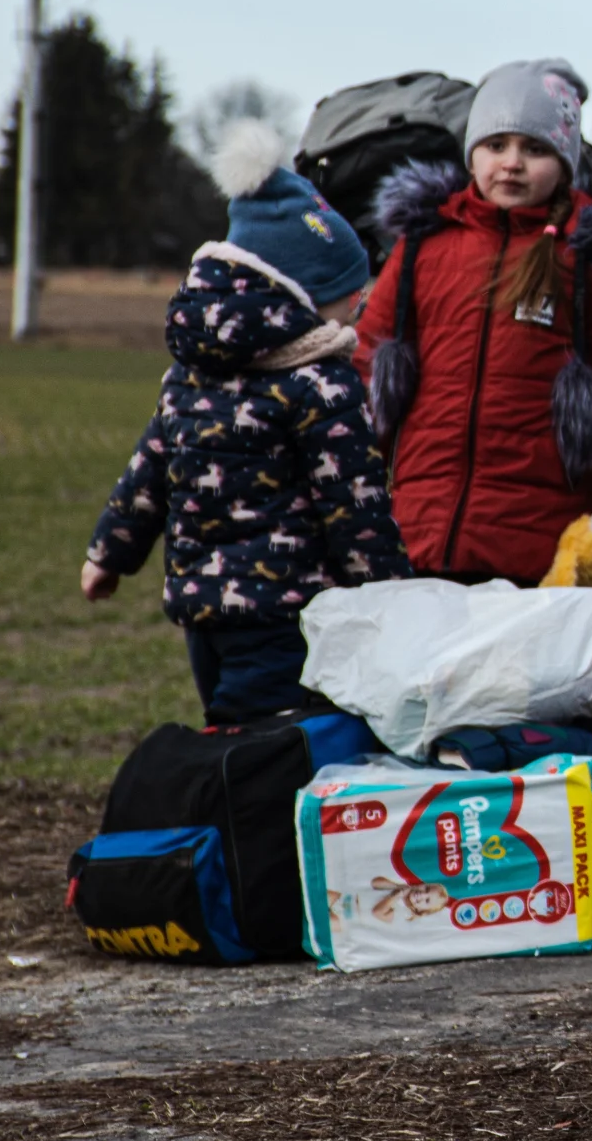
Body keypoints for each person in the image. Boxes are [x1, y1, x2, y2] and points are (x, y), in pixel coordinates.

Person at [85, 125, 408, 720]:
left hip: (200, 613)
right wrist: (391, 594)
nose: (354, 309)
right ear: (299, 295)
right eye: (346, 295)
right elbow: (354, 505)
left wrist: (107, 555)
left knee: (229, 735)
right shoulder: (321, 384)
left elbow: (147, 471)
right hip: (289, 617)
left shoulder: (189, 372)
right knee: (267, 756)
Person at [354, 59, 592, 585]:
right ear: (471, 152)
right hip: (419, 541)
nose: (511, 164)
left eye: (535, 149)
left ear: (566, 161)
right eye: (495, 145)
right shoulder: (425, 245)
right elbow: (365, 373)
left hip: (541, 560)